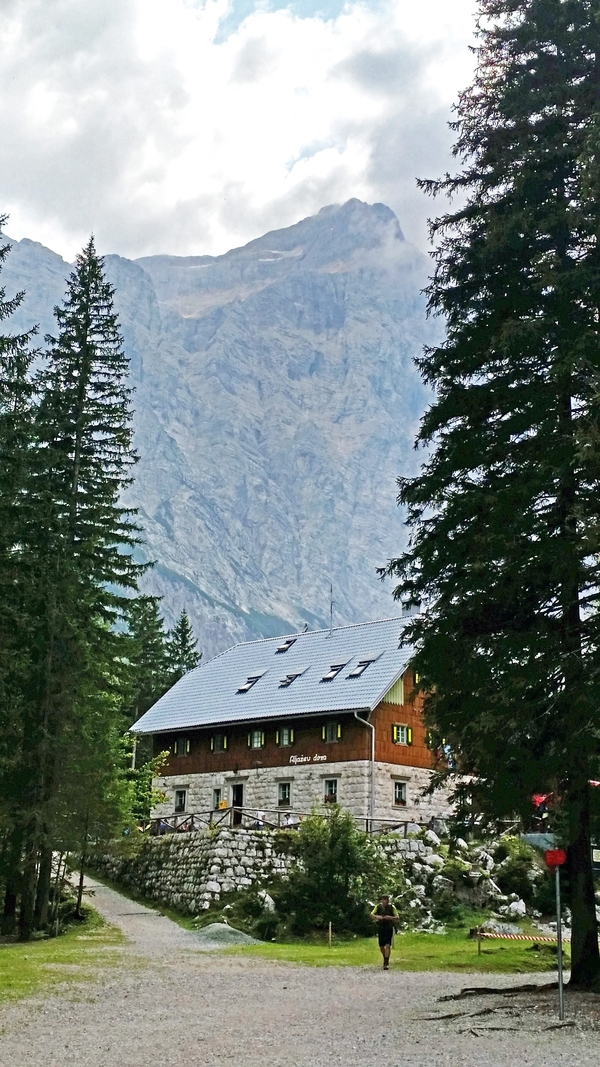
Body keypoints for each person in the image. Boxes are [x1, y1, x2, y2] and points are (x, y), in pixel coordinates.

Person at [371, 894, 399, 970]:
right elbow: (372, 915)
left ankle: (386, 962)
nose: (384, 901)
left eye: (386, 899)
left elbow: (397, 917)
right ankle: (385, 957)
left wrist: (390, 918)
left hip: (388, 927)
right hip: (381, 927)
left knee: (387, 945)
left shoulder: (392, 907)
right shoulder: (378, 907)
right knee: (381, 946)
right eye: (383, 899)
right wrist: (378, 917)